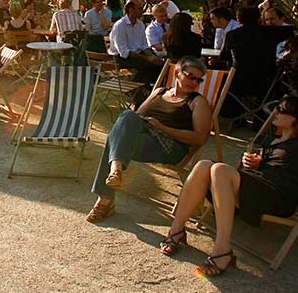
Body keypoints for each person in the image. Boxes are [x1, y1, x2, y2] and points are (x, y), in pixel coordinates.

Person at [160, 99, 298, 276]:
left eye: (281, 110)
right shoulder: (273, 140)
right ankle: (176, 231)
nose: (275, 112)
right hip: (256, 188)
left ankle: (222, 252)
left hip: (277, 196)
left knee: (220, 169)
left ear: (297, 119)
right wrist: (255, 163)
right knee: (204, 165)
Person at [86, 56, 212, 223]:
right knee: (127, 117)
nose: (194, 82)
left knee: (114, 139)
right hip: (147, 138)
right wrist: (146, 126)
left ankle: (105, 198)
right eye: (191, 76)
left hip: (171, 147)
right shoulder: (159, 92)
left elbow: (201, 138)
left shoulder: (197, 102)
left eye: (198, 80)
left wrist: (162, 127)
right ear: (177, 73)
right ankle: (115, 171)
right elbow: (136, 118)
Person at [108, 0, 163, 85]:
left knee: (160, 64)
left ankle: (149, 88)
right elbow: (124, 52)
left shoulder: (140, 24)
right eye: (140, 8)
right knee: (148, 66)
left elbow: (144, 45)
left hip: (137, 55)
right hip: (121, 58)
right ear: (131, 9)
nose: (142, 11)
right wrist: (147, 58)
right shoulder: (119, 26)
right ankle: (139, 90)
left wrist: (152, 56)